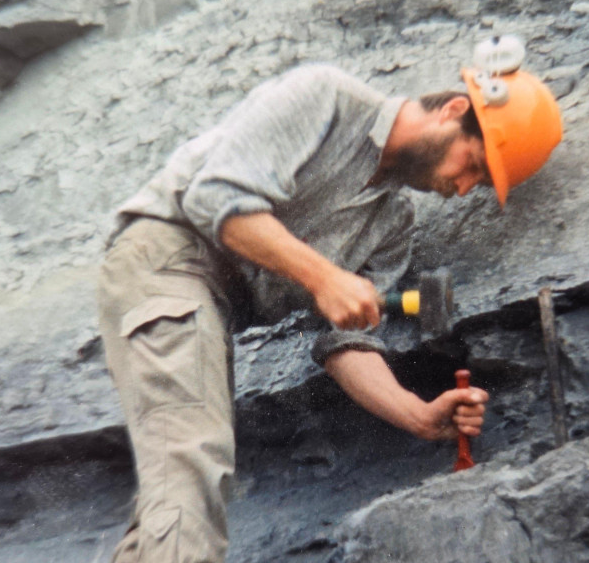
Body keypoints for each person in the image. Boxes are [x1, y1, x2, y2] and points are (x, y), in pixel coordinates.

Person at [97, 36, 563, 562]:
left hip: (210, 306)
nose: (462, 188)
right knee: (193, 460)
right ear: (455, 111)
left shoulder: (391, 225)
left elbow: (345, 340)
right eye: (472, 165)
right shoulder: (325, 97)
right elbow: (215, 197)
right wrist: (324, 277)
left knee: (176, 488)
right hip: (166, 255)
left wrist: (415, 414)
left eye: (477, 185)